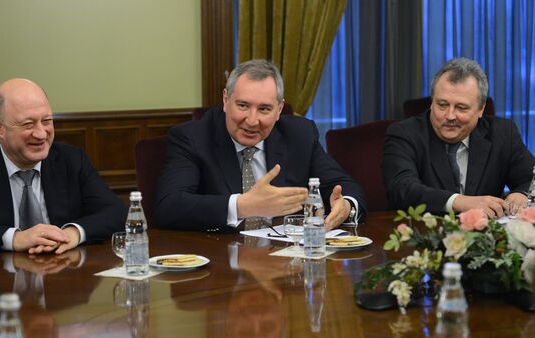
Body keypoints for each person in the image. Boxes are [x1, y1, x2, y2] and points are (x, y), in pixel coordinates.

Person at [155, 59, 367, 232]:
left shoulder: (299, 134)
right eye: (243, 105)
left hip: (284, 267)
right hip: (220, 266)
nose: (252, 120)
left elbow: (344, 186)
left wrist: (346, 205)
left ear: (279, 110)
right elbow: (169, 206)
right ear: (225, 99)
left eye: (264, 109)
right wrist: (243, 206)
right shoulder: (192, 137)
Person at [0, 78, 126, 253]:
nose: (41, 134)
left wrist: (72, 233)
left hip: (63, 273)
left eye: (46, 121)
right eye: (28, 124)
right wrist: (15, 238)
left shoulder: (71, 160)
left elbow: (116, 212)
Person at [382, 57, 535, 218]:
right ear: (432, 102)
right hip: (420, 236)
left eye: (461, 108)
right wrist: (461, 202)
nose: (450, 115)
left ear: (481, 109)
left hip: (484, 239)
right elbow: (402, 189)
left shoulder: (502, 133)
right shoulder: (404, 133)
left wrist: (521, 194)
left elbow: (530, 178)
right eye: (442, 105)